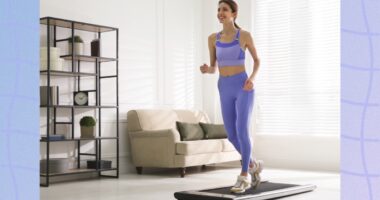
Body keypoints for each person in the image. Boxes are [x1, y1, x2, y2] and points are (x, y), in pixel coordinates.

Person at [199, 0, 264, 194]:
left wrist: (252, 78)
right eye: (218, 10)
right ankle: (253, 165)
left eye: (224, 9)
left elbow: (258, 60)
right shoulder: (213, 38)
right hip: (224, 86)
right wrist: (206, 69)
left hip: (243, 86)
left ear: (234, 13)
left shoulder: (243, 35)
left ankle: (244, 176)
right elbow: (214, 68)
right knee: (231, 134)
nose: (220, 13)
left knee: (242, 130)